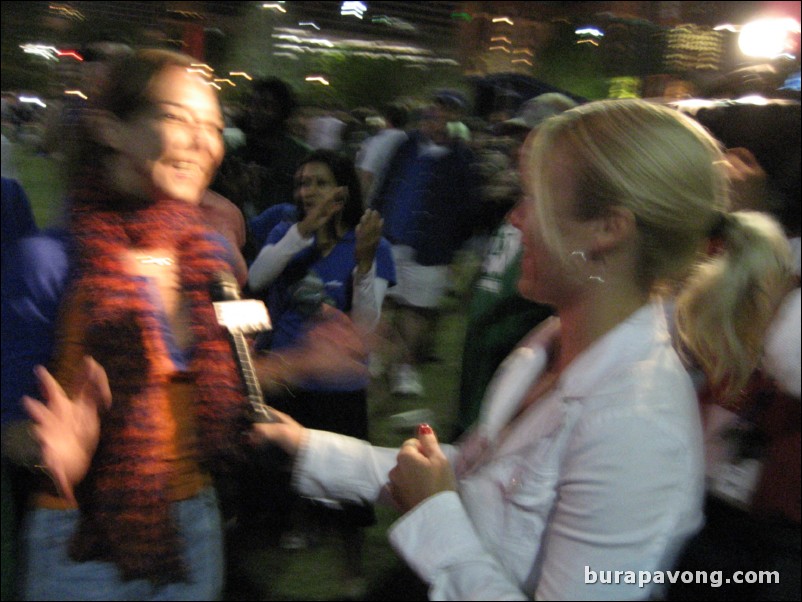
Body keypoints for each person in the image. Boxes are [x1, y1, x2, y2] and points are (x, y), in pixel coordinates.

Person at [251, 99, 794, 599]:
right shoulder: (550, 342)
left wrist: (434, 511)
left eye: (533, 197)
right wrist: (305, 448)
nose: (514, 217)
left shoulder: (638, 427)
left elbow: (457, 499)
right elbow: (480, 475)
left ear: (608, 229)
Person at [5, 49, 367, 601]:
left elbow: (214, 384)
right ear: (110, 128)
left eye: (215, 126)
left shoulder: (208, 262)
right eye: (178, 118)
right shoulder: (51, 262)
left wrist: (302, 363)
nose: (206, 142)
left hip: (196, 525)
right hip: (81, 539)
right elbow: (11, 429)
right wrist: (50, 447)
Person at [247, 149, 394, 589]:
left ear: (342, 191)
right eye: (302, 183)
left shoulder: (371, 243)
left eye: (319, 182)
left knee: (347, 481)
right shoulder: (287, 231)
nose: (307, 191)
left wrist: (364, 263)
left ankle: (351, 568)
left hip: (338, 381)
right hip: (286, 373)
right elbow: (256, 278)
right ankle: (294, 527)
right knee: (284, 467)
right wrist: (304, 231)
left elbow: (365, 322)